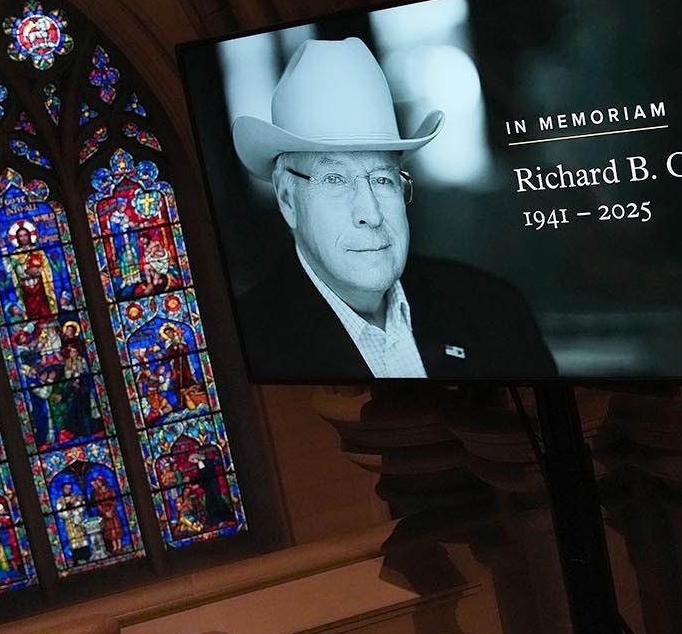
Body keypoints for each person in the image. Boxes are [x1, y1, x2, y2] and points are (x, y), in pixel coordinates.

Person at [233, 38, 558, 380]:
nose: (371, 215)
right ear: (287, 199)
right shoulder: (243, 348)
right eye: (335, 180)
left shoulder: (495, 309)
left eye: (383, 179)